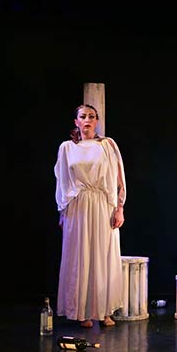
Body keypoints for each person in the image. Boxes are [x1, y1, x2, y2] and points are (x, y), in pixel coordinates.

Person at [54, 104, 127, 328]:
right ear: (76, 122)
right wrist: (62, 212)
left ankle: (104, 311)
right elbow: (62, 182)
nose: (87, 120)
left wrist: (120, 207)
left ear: (96, 121)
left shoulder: (107, 145)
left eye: (91, 116)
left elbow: (119, 178)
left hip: (103, 204)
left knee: (103, 256)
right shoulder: (67, 148)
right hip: (77, 206)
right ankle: (82, 311)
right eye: (83, 116)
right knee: (80, 257)